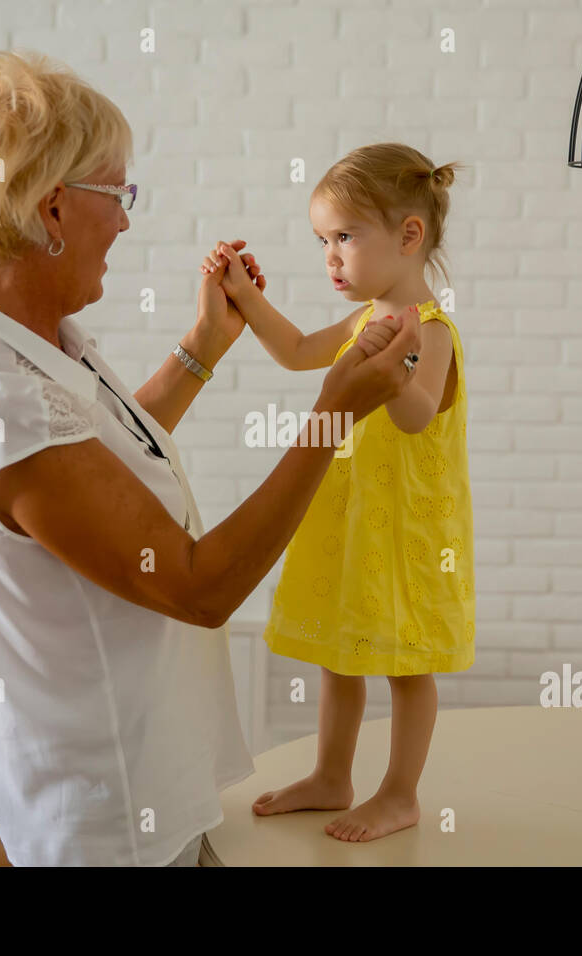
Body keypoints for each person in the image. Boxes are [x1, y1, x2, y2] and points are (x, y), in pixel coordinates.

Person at [0, 51, 420, 866]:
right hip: (109, 816)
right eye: (117, 196)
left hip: (141, 784)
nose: (124, 220)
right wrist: (331, 417)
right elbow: (197, 583)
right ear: (53, 209)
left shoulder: (27, 337)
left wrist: (204, 346)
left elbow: (104, 460)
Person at [199, 143, 474, 843]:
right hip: (354, 520)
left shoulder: (431, 331)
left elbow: (414, 416)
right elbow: (294, 352)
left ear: (409, 236)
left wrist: (399, 357)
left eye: (345, 237)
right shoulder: (363, 321)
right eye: (323, 240)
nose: (331, 256)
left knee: (406, 664)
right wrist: (243, 294)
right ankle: (332, 773)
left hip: (406, 530)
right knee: (341, 654)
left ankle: (401, 793)